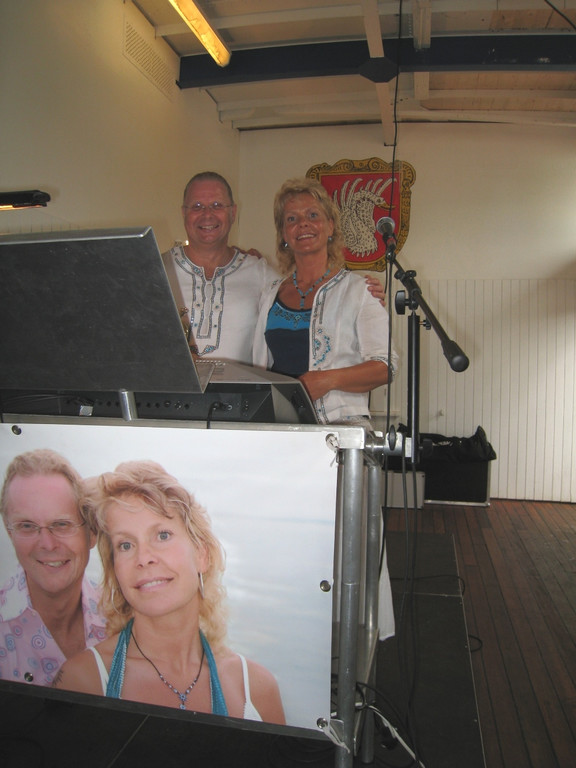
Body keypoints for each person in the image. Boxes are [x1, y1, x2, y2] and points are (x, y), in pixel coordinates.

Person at [53, 461, 286, 724]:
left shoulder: (255, 690)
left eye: (162, 535)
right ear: (115, 570)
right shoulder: (82, 682)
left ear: (202, 555)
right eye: (126, 545)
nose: (144, 558)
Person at [162, 171, 385, 365]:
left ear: (233, 212)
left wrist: (362, 298)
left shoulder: (260, 274)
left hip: (240, 399)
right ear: (183, 212)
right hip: (164, 398)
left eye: (217, 205)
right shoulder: (155, 270)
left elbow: (306, 301)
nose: (207, 214)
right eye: (197, 206)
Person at [253, 177, 398, 425]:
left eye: (313, 215)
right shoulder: (269, 294)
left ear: (330, 227)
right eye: (292, 219)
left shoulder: (360, 290)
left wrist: (328, 380)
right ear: (284, 234)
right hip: (280, 426)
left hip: (340, 427)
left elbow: (386, 367)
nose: (303, 224)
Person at [0, 449, 106, 686]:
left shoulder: (123, 620)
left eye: (61, 524)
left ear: (91, 533)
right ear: (10, 533)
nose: (47, 544)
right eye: (27, 526)